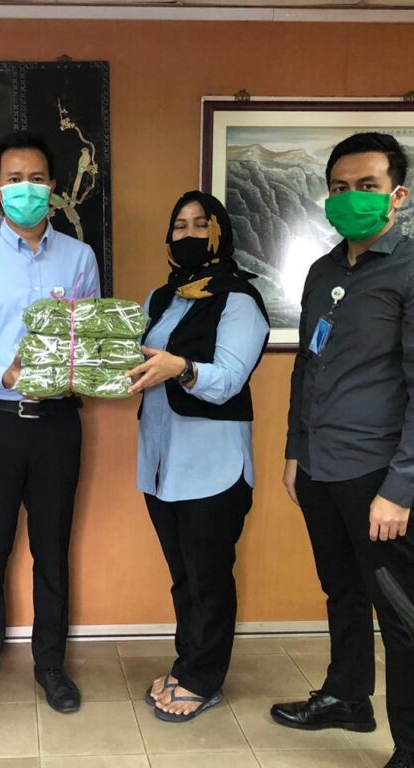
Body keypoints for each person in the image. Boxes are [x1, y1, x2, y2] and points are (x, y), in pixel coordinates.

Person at [271, 133, 414, 768]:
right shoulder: (324, 271)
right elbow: (307, 367)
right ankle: (347, 697)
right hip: (319, 467)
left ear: (397, 196)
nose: (351, 197)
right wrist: (296, 450)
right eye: (339, 187)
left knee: (400, 612)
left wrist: (400, 488)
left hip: (379, 475)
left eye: (367, 186)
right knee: (341, 591)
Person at [0, 130, 100, 719]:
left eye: (36, 179)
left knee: (52, 551)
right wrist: (4, 373)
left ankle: (51, 666)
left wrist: (80, 368)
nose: (26, 189)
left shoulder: (79, 258)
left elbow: (89, 335)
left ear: (53, 186)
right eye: (15, 179)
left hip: (58, 425)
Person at [128, 191, 269, 723]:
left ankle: (203, 678)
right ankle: (188, 663)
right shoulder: (161, 297)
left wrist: (181, 368)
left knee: (208, 577)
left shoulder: (239, 301)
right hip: (161, 460)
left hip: (213, 465)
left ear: (219, 233)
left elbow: (229, 380)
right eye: (179, 225)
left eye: (199, 225)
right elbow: (135, 363)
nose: (187, 234)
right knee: (184, 575)